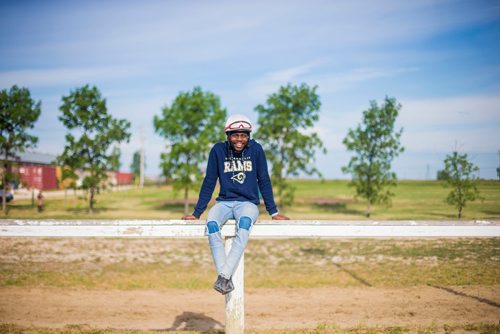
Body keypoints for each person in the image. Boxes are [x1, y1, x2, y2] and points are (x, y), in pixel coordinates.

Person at [182, 114, 289, 295]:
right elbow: (209, 181)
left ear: (249, 135)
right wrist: (197, 212)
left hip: (247, 204)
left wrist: (273, 212)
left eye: (244, 135)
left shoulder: (256, 150)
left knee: (245, 225)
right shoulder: (218, 150)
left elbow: (264, 180)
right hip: (224, 203)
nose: (240, 139)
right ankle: (225, 277)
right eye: (235, 135)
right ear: (228, 135)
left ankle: (223, 276)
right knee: (212, 225)